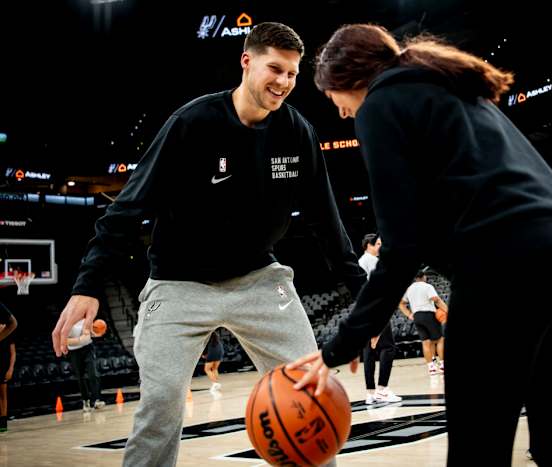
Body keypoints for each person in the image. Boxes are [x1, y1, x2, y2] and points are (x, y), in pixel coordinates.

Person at [288, 24, 552, 466]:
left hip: (506, 266)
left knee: (478, 451)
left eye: (331, 97)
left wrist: (343, 344)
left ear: (347, 78)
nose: (340, 112)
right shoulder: (455, 88)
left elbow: (402, 244)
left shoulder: (379, 105)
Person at [51, 22, 365, 467]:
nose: (284, 82)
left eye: (293, 74)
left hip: (259, 279)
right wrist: (87, 286)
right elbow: (128, 206)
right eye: (275, 68)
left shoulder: (297, 133)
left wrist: (363, 297)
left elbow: (328, 225)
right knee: (160, 403)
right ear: (247, 61)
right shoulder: (192, 123)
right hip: (178, 282)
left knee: (309, 394)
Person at [358, 234, 401, 404]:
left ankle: (370, 393)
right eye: (378, 244)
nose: (380, 247)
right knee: (388, 348)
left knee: (369, 352)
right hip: (377, 309)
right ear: (368, 245)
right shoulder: (373, 261)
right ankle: (382, 389)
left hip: (364, 310)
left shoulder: (360, 262)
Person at [398, 272, 446, 376]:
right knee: (440, 339)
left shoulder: (409, 288)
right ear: (423, 277)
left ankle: (431, 368)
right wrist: (447, 310)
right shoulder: (427, 286)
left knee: (426, 342)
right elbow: (436, 299)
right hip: (428, 314)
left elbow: (401, 303)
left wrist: (409, 314)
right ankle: (442, 365)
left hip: (417, 317)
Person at [66, 318, 107, 412]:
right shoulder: (66, 323)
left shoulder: (86, 319)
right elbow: (65, 340)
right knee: (80, 377)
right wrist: (80, 340)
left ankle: (97, 400)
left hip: (88, 348)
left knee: (93, 373)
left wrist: (97, 333)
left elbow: (92, 333)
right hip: (74, 351)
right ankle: (86, 401)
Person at [0, 302, 18, 433]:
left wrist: (10, 369)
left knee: (2, 394)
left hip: (2, 364)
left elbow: (13, 352)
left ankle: (3, 421)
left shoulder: (8, 333)